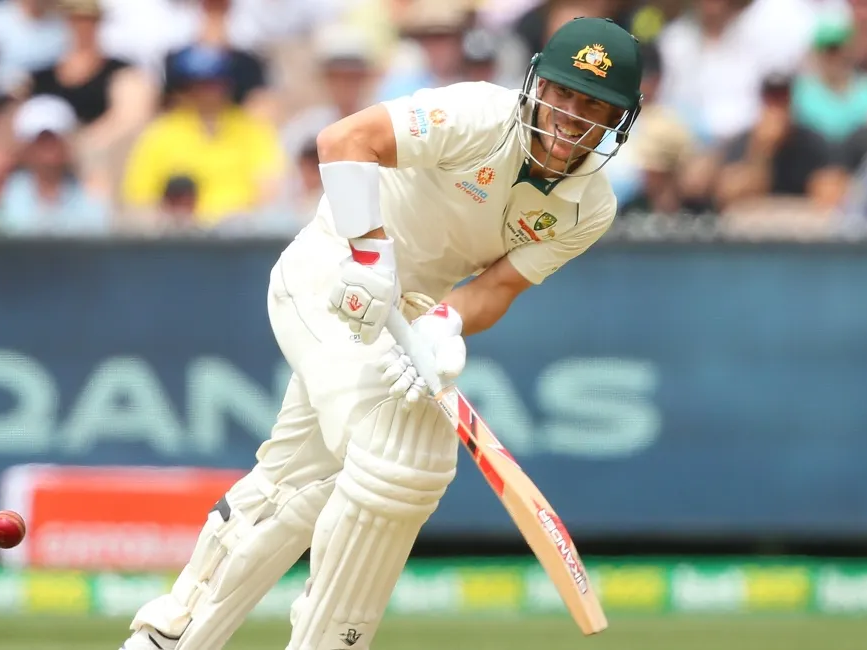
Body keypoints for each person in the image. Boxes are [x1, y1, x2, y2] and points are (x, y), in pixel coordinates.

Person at [118, 16, 643, 650]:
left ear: (618, 119)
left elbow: (497, 288)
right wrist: (371, 253)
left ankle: (169, 634)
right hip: (331, 276)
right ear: (537, 85)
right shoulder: (478, 114)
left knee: (295, 481)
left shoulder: (590, 206)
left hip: (403, 320)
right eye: (562, 95)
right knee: (395, 455)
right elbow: (344, 139)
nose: (569, 118)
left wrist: (445, 323)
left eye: (593, 106)